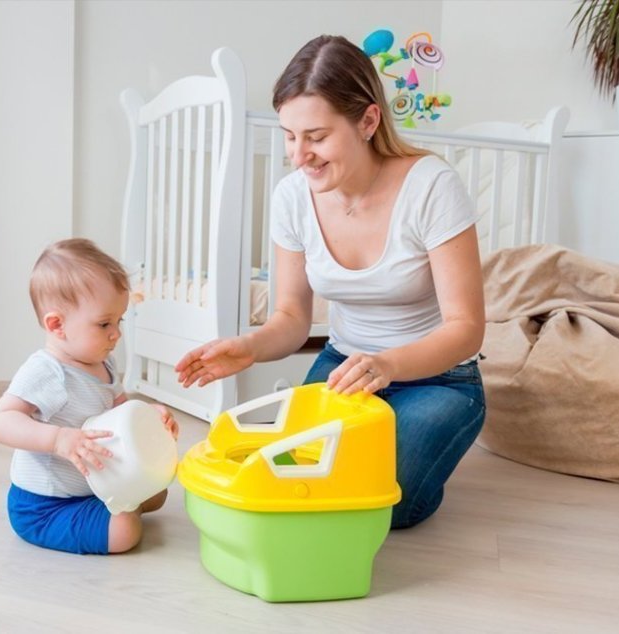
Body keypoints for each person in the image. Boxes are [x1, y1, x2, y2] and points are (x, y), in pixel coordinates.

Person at [175, 35, 485, 530]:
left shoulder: (430, 185)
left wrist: (387, 363)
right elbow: (293, 317)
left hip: (438, 378)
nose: (299, 155)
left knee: (387, 501)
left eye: (316, 136)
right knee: (298, 474)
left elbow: (466, 327)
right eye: (289, 135)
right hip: (345, 369)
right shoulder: (292, 198)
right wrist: (249, 347)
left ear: (367, 121)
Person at [0, 238, 179, 554]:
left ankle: (121, 503)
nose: (116, 333)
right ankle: (122, 511)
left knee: (158, 491)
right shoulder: (48, 372)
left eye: (119, 321)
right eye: (104, 323)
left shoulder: (103, 363)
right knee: (125, 534)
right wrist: (58, 439)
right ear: (57, 325)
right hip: (46, 506)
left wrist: (150, 416)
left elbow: (120, 409)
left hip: (93, 486)